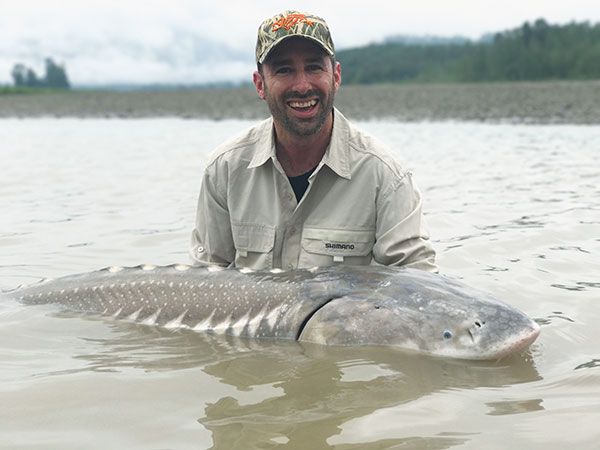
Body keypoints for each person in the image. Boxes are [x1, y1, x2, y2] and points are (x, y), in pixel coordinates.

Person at [190, 10, 436, 271]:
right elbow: (204, 281)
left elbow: (420, 281)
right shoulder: (224, 170)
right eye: (284, 70)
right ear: (259, 84)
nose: (302, 85)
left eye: (314, 67)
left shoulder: (386, 176)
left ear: (336, 76)